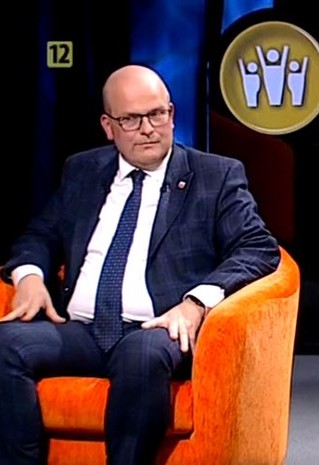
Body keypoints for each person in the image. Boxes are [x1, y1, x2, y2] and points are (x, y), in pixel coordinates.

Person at [0, 64, 280, 465]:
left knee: (141, 357)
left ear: (172, 114)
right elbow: (40, 235)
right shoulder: (83, 170)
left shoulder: (215, 175)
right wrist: (29, 276)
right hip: (81, 329)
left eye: (157, 114)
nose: (148, 129)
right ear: (108, 126)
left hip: (157, 326)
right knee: (7, 345)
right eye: (131, 119)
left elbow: (257, 247)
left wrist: (195, 303)